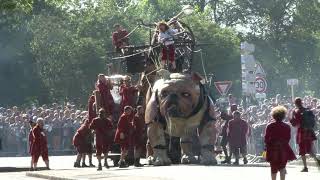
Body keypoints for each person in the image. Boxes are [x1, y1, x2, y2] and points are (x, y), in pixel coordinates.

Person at [265, 106, 296, 180]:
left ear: (274, 116)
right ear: (283, 116)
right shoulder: (287, 126)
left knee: (273, 168)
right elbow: (288, 138)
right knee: (282, 167)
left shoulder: (269, 126)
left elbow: (266, 139)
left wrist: (268, 146)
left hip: (273, 149)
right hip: (283, 149)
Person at [290, 98, 320, 172]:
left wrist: (291, 117)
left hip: (301, 133)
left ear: (296, 103)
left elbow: (294, 123)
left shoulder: (296, 111)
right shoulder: (308, 110)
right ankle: (318, 163)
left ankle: (305, 167)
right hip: (309, 132)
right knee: (310, 150)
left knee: (302, 150)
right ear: (301, 103)